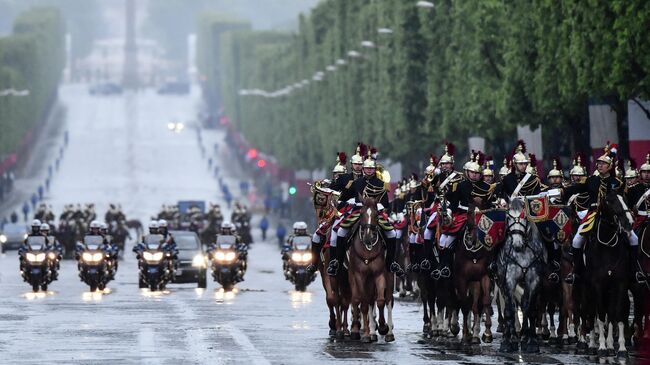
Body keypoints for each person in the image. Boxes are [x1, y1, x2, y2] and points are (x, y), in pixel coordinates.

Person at [563, 143, 638, 283]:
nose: (599, 165)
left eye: (603, 164)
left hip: (615, 216)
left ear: (609, 166)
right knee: (576, 240)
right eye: (598, 163)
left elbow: (624, 200)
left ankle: (634, 271)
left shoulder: (617, 182)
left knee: (633, 238)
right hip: (593, 214)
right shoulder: (591, 180)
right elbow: (575, 189)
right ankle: (577, 272)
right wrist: (561, 192)